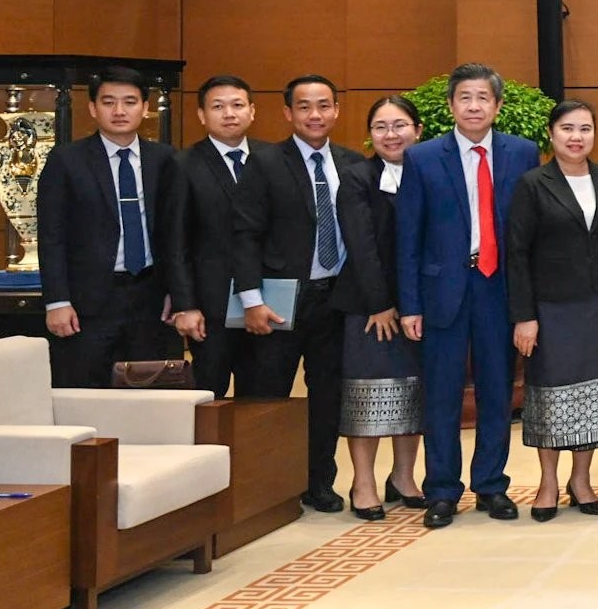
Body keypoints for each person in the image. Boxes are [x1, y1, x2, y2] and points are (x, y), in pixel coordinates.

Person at [397, 63, 540, 529]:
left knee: (498, 393)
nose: (474, 106)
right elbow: (408, 236)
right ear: (451, 105)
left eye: (483, 98)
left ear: (497, 106)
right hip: (443, 291)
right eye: (465, 98)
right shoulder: (422, 158)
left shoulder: (522, 153)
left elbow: (527, 235)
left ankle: (491, 485)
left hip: (498, 288)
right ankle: (441, 489)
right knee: (441, 395)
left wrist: (527, 306)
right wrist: (410, 304)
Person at [230, 74, 366, 512]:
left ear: (336, 111)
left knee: (327, 395)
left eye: (324, 105)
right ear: (288, 113)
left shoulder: (351, 164)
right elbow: (245, 235)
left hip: (336, 298)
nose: (315, 115)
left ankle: (318, 482)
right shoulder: (266, 163)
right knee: (267, 394)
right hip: (278, 299)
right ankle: (263, 487)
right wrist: (251, 300)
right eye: (304, 107)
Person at [507, 100, 598, 522]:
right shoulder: (533, 184)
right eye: (567, 128)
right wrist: (525, 315)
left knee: (592, 394)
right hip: (551, 308)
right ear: (552, 134)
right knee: (550, 395)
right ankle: (548, 482)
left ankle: (581, 479)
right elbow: (516, 254)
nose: (576, 137)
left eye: (585, 129)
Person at [38, 67, 186, 388]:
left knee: (152, 396)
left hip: (151, 299)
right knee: (84, 394)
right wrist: (57, 301)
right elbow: (51, 236)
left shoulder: (165, 159)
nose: (119, 111)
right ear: (93, 108)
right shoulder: (66, 160)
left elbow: (175, 233)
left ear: (145, 108)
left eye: (130, 102)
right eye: (109, 102)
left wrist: (178, 291)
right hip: (88, 303)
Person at [332, 95, 426, 520]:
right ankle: (363, 482)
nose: (392, 134)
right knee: (367, 395)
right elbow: (361, 244)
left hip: (420, 305)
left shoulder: (429, 173)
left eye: (400, 125)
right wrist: (381, 303)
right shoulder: (356, 177)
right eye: (381, 127)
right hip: (370, 307)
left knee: (411, 392)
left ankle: (404, 476)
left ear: (418, 130)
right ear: (370, 136)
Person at [170, 75, 258, 399]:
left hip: (265, 302)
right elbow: (175, 242)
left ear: (252, 111)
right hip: (210, 306)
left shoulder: (272, 158)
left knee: (262, 397)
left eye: (237, 105)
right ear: (201, 115)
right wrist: (185, 304)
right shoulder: (182, 165)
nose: (229, 114)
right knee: (209, 397)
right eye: (218, 107)